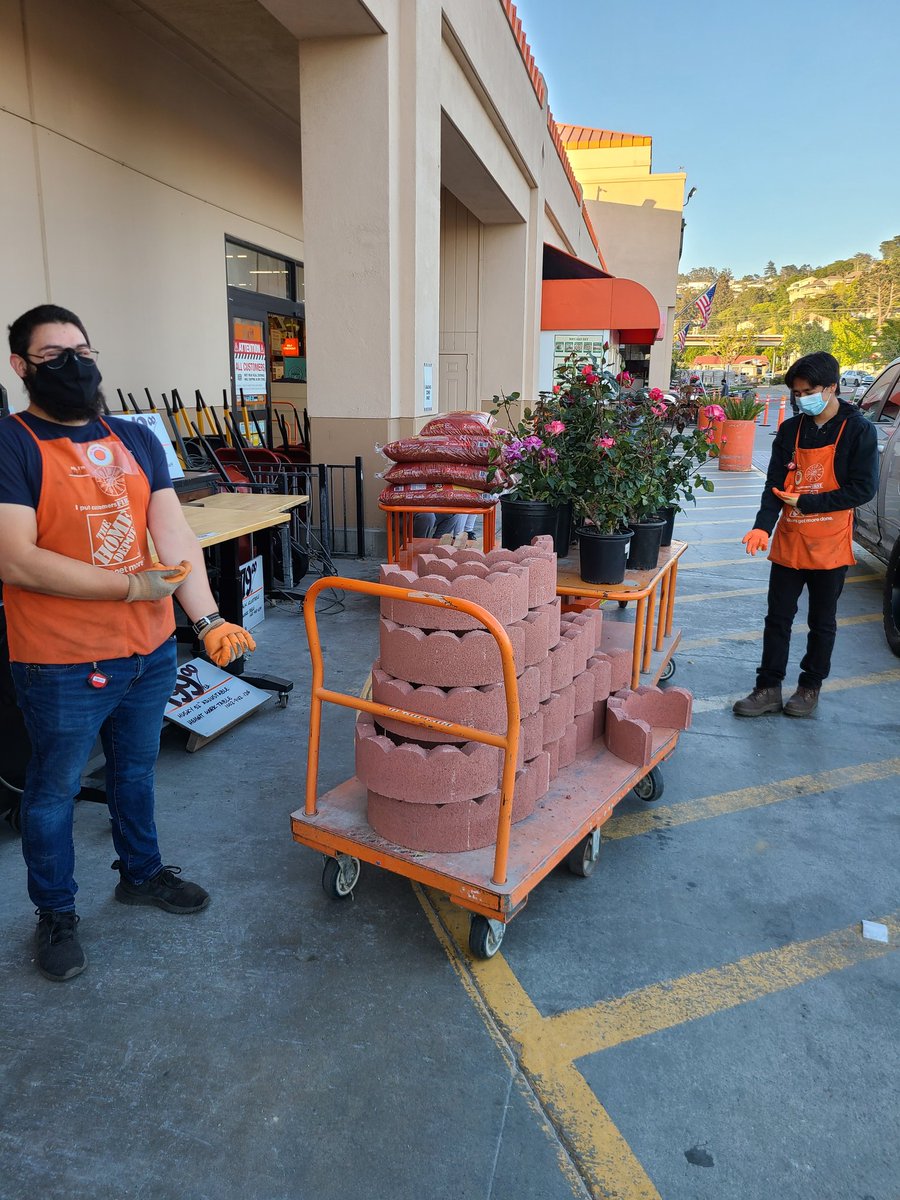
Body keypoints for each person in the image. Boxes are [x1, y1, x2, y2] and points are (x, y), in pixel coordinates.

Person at [0, 304, 257, 981]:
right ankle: (55, 914)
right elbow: (16, 559)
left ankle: (140, 875)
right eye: (54, 355)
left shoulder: (137, 438)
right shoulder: (13, 443)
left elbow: (174, 542)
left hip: (149, 654)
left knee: (135, 773)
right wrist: (128, 589)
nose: (74, 365)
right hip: (59, 661)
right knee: (53, 792)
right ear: (20, 366)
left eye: (81, 349)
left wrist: (206, 620)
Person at [733, 351, 877, 718]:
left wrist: (807, 503)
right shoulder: (790, 429)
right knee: (777, 617)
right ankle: (767, 688)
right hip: (791, 539)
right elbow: (774, 485)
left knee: (821, 621)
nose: (801, 398)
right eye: (796, 392)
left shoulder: (858, 429)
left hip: (829, 542)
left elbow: (862, 489)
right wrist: (762, 526)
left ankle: (809, 688)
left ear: (831, 388)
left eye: (808, 390)